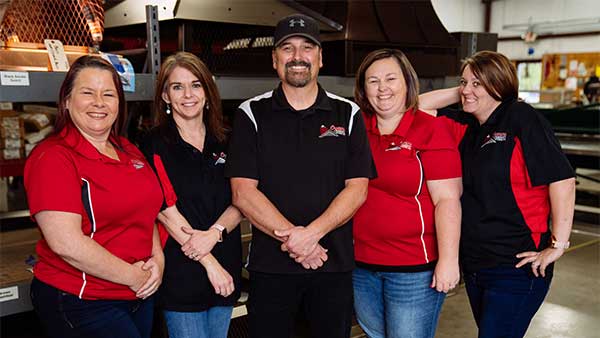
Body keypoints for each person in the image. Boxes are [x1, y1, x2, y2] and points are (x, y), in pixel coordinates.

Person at [224, 13, 376, 338]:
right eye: (287, 48)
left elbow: (357, 188)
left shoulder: (347, 113)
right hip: (271, 268)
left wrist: (312, 235)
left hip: (332, 264)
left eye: (307, 48)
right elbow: (243, 192)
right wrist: (296, 240)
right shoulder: (250, 114)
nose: (297, 57)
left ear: (320, 58)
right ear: (275, 60)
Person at [421, 50, 576, 338]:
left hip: (516, 266)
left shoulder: (520, 117)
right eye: (464, 82)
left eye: (477, 83)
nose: (467, 90)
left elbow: (562, 180)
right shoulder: (466, 126)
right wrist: (468, 89)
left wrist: (559, 244)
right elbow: (417, 107)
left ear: (499, 83)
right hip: (477, 264)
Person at [23, 55, 164, 338]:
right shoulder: (53, 157)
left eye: (108, 94)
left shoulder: (129, 150)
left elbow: (146, 213)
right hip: (83, 299)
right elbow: (66, 243)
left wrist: (157, 261)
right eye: (87, 92)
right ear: (66, 100)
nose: (99, 102)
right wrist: (135, 277)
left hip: (138, 294)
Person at [351, 49, 462, 338]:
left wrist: (449, 260)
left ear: (407, 83)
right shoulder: (356, 128)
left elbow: (447, 199)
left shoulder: (431, 129)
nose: (382, 88)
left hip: (412, 268)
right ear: (363, 89)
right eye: (373, 81)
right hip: (360, 265)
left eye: (391, 78)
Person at [139, 52, 243, 338]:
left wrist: (215, 233)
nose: (188, 94)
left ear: (207, 92)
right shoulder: (153, 144)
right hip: (181, 271)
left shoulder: (228, 139)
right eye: (177, 87)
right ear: (165, 96)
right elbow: (164, 210)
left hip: (227, 262)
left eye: (196, 85)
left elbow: (243, 198)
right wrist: (210, 264)